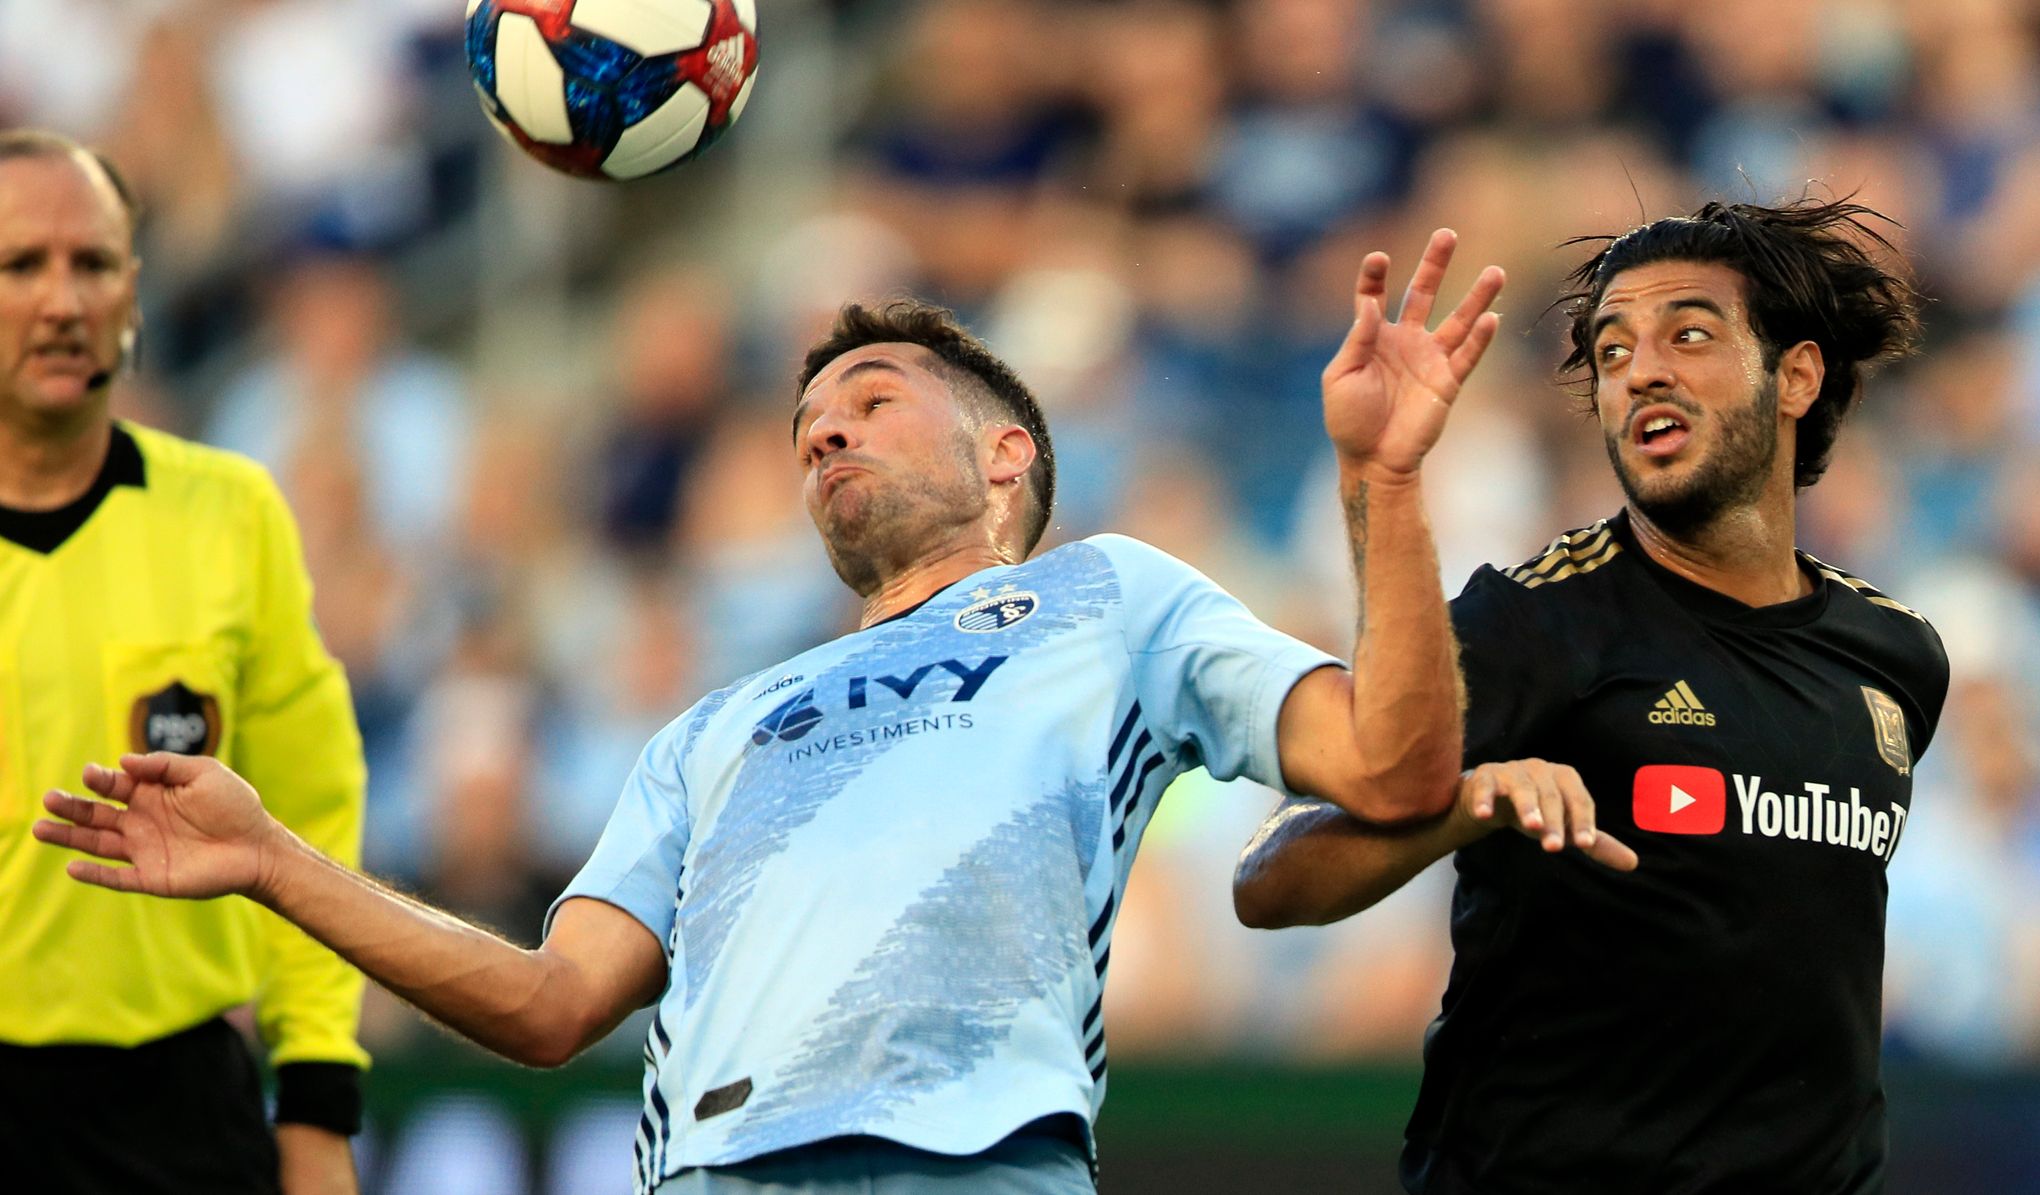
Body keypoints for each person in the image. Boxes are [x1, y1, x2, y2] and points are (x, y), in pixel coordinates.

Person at [36, 232, 1567, 1195]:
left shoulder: (1115, 597)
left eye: (878, 396)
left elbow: (1392, 762)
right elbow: (554, 1002)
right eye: (808, 423)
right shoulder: (715, 724)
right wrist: (272, 861)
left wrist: (1382, 482)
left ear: (1008, 456)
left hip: (978, 1163)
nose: (828, 425)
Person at [1233, 197, 1947, 1194]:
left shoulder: (1897, 657)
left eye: (1689, 334)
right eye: (1612, 352)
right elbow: (1271, 880)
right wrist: (1468, 800)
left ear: (1797, 375)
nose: (1640, 369)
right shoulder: (1536, 624)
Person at [0, 130, 369, 1193]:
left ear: (135, 292)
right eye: (22, 265)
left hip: (174, 1113)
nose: (64, 300)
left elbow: (312, 818)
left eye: (94, 263)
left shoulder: (230, 513)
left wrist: (315, 1104)